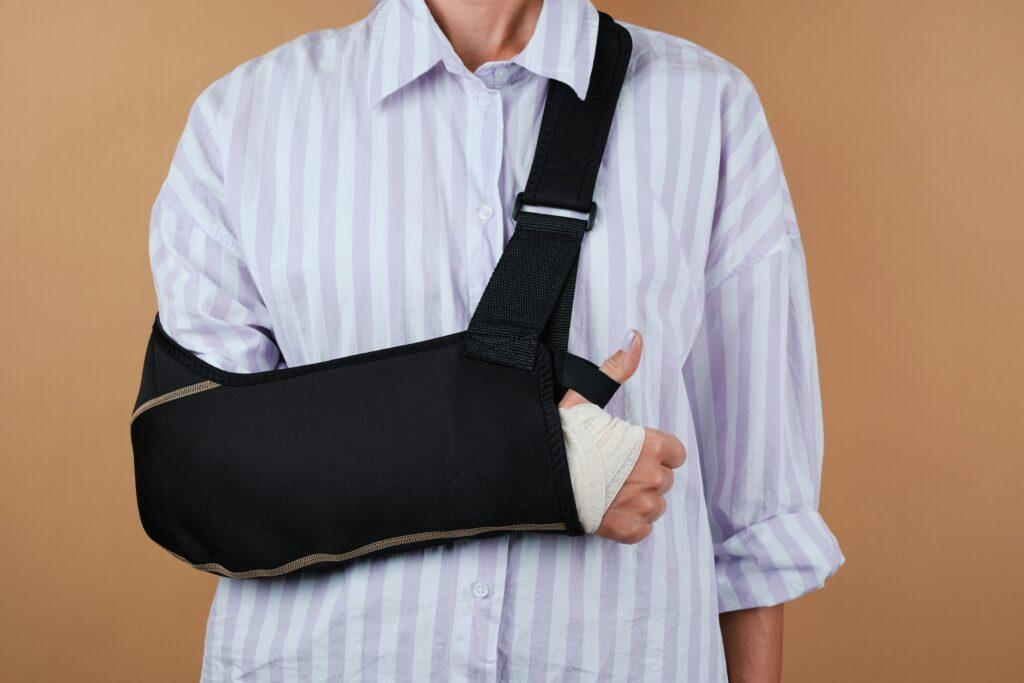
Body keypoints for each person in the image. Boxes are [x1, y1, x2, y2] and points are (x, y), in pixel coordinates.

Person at [149, 0, 842, 679]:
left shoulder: (709, 110)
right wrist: (531, 459)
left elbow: (753, 523)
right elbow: (197, 469)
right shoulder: (243, 119)